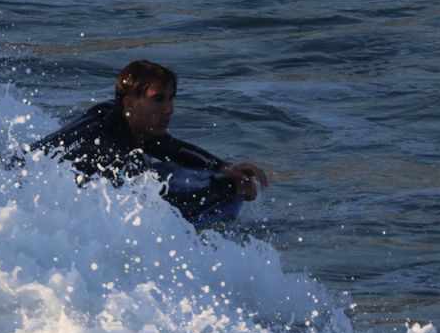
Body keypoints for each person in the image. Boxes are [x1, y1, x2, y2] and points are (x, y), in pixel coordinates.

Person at [33, 59, 268, 228]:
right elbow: (163, 213)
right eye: (158, 100)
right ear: (129, 105)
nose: (170, 109)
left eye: (171, 98)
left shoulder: (115, 117)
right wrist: (229, 189)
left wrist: (223, 167)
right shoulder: (114, 148)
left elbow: (168, 146)